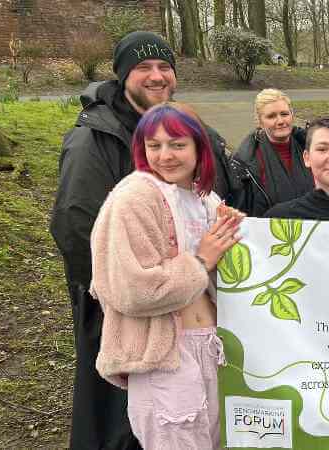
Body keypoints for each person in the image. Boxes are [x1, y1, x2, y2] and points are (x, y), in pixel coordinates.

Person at [49, 31, 233, 450]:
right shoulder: (95, 140)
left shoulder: (192, 144)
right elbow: (77, 226)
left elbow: (218, 225)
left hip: (198, 336)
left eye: (164, 66)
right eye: (143, 67)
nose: (156, 76)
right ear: (122, 75)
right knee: (126, 430)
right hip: (136, 321)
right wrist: (113, 304)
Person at [90, 103, 244, 448]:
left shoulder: (206, 200)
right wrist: (201, 260)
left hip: (214, 347)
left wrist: (235, 238)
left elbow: (228, 279)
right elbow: (129, 290)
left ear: (198, 148)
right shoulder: (134, 197)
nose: (165, 156)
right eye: (154, 145)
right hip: (166, 352)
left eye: (177, 144)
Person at [230, 88, 312, 217]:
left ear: (292, 115)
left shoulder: (312, 147)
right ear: (260, 122)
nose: (280, 121)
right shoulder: (244, 164)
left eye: (284, 114)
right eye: (271, 116)